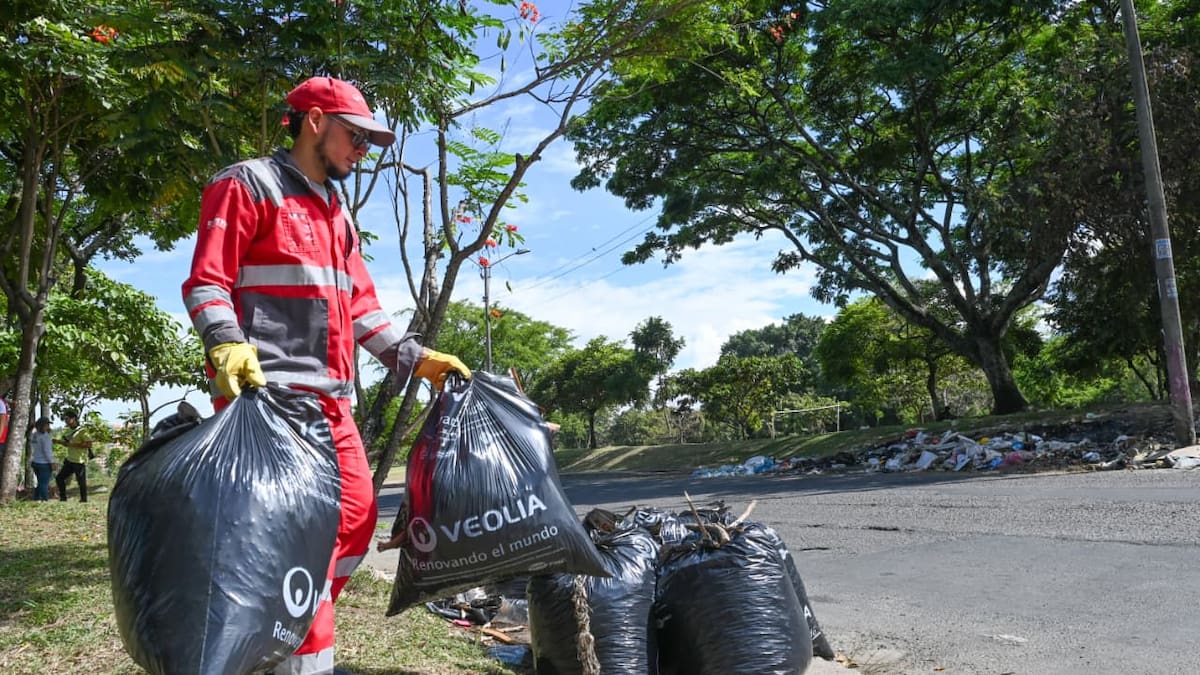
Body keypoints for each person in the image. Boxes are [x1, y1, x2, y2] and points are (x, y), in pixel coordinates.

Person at [181, 75, 471, 675]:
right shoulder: (246, 185)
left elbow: (362, 307)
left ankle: (280, 631)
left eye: (371, 143)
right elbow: (207, 281)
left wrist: (418, 358)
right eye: (356, 137)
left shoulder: (335, 211)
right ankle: (299, 652)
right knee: (296, 541)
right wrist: (227, 344)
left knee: (357, 519)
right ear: (315, 120)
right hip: (268, 404)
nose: (363, 152)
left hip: (332, 403)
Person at [54, 410, 93, 502]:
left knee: (81, 481)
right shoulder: (69, 431)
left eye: (67, 419)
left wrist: (73, 445)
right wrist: (58, 442)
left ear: (74, 419)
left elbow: (89, 444)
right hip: (70, 460)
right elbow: (68, 444)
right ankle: (63, 498)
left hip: (79, 460)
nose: (66, 421)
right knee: (59, 478)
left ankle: (84, 500)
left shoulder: (82, 431)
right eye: (65, 419)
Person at [30, 417, 56, 502]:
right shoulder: (45, 436)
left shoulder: (35, 435)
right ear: (43, 426)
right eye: (47, 425)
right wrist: (52, 462)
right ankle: (44, 499)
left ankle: (36, 498)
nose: (48, 426)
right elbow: (47, 451)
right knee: (44, 483)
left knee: (40, 482)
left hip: (35, 461)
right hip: (44, 463)